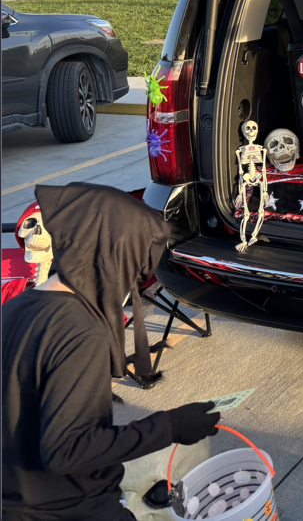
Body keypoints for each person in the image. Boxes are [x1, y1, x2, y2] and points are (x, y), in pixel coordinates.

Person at [2, 183, 222, 521]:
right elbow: (67, 451)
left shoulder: (17, 308)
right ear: (110, 259)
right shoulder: (80, 331)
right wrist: (171, 425)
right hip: (65, 507)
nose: (130, 285)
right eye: (133, 270)